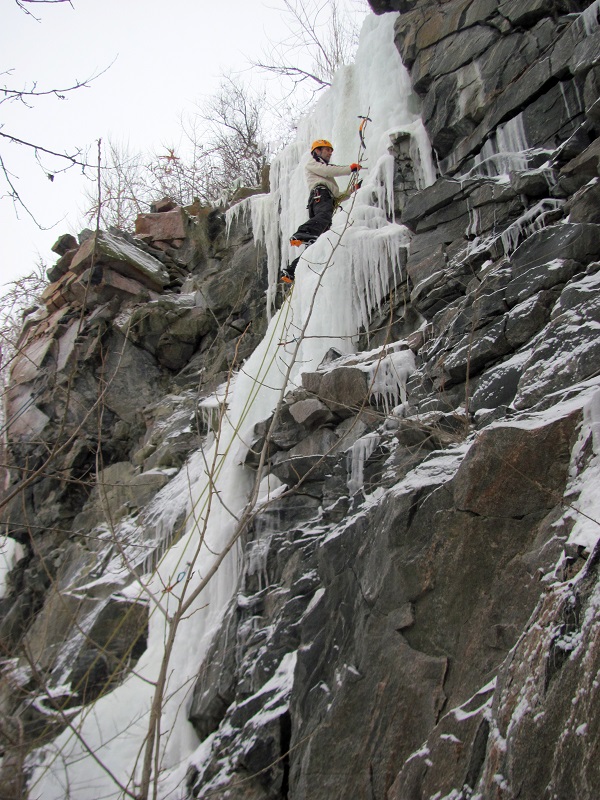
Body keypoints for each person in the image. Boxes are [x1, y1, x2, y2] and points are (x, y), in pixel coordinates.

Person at [281, 139, 362, 283]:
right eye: (327, 149)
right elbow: (328, 169)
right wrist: (350, 169)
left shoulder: (327, 178)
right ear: (317, 151)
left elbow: (337, 197)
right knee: (324, 217)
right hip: (320, 195)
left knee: (316, 244)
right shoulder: (312, 163)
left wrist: (352, 190)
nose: (330, 152)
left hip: (325, 198)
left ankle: (292, 270)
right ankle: (302, 233)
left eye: (331, 150)